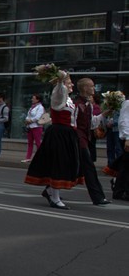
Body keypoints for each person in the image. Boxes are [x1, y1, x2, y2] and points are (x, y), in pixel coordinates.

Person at [24, 74, 83, 209]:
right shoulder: (58, 96)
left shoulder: (68, 100)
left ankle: (50, 191)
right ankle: (54, 197)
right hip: (59, 133)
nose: (72, 85)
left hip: (68, 134)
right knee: (58, 164)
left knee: (65, 163)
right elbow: (59, 90)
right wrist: (61, 79)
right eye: (69, 82)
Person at [73, 79, 111, 205]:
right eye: (91, 86)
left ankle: (50, 189)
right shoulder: (77, 104)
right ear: (84, 88)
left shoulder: (88, 104)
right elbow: (73, 123)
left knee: (73, 167)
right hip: (79, 139)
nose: (94, 88)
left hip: (84, 138)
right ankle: (98, 197)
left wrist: (104, 114)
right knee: (88, 167)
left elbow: (91, 123)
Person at [22, 94, 46, 163]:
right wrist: (27, 120)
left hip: (37, 127)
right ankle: (28, 157)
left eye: (33, 98)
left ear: (37, 100)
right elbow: (28, 115)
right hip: (30, 127)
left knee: (38, 143)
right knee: (30, 143)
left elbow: (37, 117)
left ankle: (41, 158)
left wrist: (30, 121)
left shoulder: (40, 107)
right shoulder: (32, 107)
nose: (32, 99)